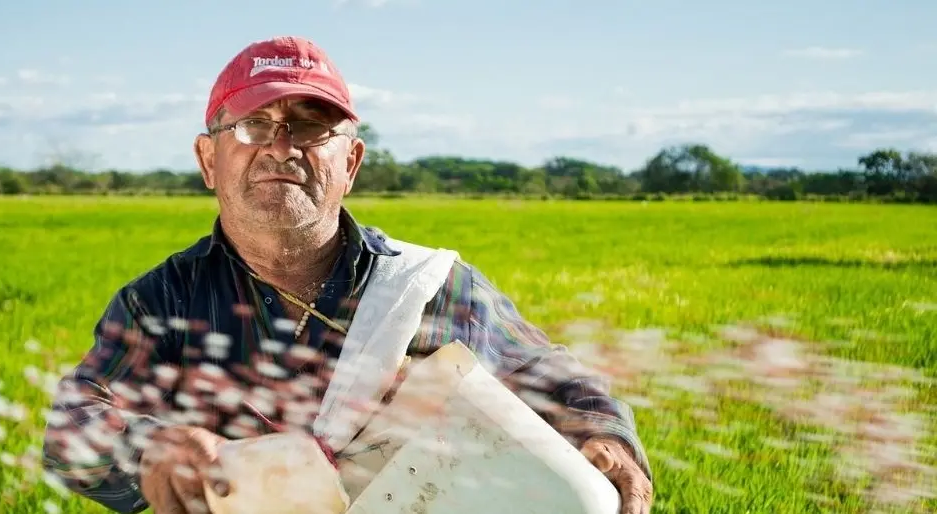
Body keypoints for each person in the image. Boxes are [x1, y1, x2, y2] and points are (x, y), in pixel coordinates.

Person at [42, 35, 654, 514]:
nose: (281, 146)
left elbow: (548, 375)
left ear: (351, 162)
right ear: (209, 159)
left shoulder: (430, 287)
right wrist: (149, 447)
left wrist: (607, 437)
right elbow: (72, 426)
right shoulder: (163, 302)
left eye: (310, 126)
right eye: (253, 124)